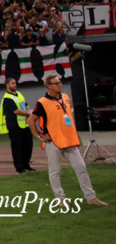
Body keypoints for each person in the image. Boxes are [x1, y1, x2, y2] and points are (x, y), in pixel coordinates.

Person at [27, 74, 108, 207]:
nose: (60, 85)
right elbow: (31, 120)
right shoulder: (42, 102)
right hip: (52, 140)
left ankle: (91, 197)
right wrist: (39, 136)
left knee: (81, 167)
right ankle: (60, 199)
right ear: (49, 86)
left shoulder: (65, 97)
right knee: (55, 171)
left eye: (60, 82)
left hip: (68, 139)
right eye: (56, 83)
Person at [0, 77, 35, 173]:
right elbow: (16, 111)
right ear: (7, 85)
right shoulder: (7, 98)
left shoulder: (19, 95)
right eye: (13, 83)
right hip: (14, 126)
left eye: (15, 83)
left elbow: (25, 104)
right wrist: (28, 114)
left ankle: (26, 164)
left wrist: (28, 111)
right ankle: (19, 167)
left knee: (28, 145)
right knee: (17, 147)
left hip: (24, 125)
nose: (15, 85)